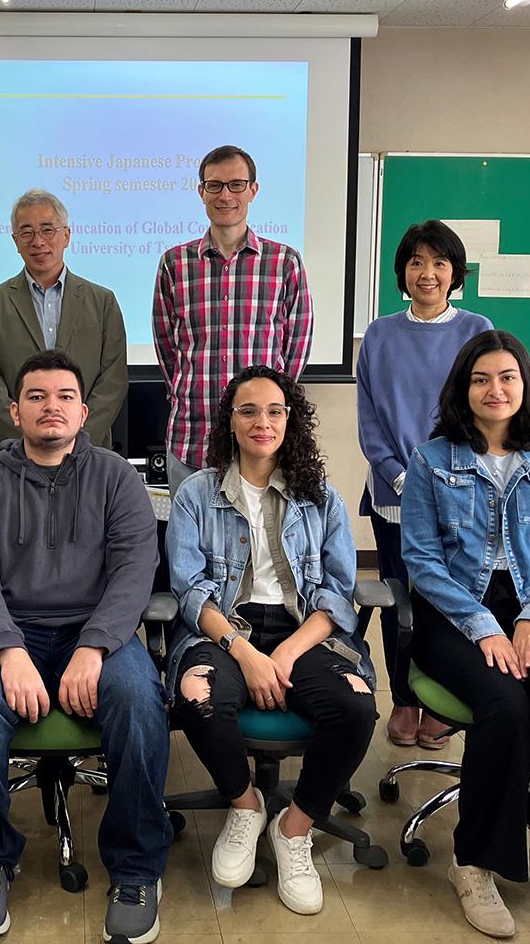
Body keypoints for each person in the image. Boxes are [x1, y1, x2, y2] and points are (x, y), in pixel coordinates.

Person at [0, 350, 170, 943]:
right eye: (37, 396)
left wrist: (94, 647)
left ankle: (136, 866)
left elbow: (135, 570)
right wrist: (8, 650)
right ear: (14, 412)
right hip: (11, 633)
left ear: (84, 411)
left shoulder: (117, 477)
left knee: (141, 702)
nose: (51, 407)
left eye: (64, 396)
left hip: (98, 633)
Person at [400, 330, 530, 940]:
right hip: (453, 610)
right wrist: (485, 626)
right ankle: (475, 862)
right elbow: (422, 563)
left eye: (507, 377)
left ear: (525, 386)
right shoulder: (431, 459)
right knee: (504, 703)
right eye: (481, 378)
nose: (495, 389)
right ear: (463, 389)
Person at [167, 366, 377, 916]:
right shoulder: (195, 493)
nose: (263, 422)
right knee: (198, 697)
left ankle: (295, 826)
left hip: (304, 629)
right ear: (229, 422)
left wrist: (283, 653)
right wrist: (246, 652)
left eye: (275, 411)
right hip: (223, 628)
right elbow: (189, 591)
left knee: (354, 707)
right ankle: (244, 805)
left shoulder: (321, 496)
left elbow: (337, 593)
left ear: (291, 420)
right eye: (248, 411)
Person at [356, 220, 493, 749]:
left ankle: (441, 696)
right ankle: (405, 699)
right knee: (399, 601)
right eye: (416, 262)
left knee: (450, 599)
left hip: (462, 493)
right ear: (402, 272)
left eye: (439, 263)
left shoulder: (476, 330)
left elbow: (487, 411)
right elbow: (370, 421)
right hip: (394, 495)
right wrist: (403, 475)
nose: (427, 273)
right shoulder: (381, 335)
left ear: (455, 272)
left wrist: (444, 475)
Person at [152, 145, 313, 494]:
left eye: (236, 185)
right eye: (215, 185)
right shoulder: (174, 264)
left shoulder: (284, 262)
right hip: (192, 437)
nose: (226, 195)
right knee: (190, 545)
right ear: (201, 191)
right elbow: (167, 348)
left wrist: (270, 407)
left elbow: (296, 347)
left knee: (262, 545)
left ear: (253, 190)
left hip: (262, 441)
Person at [0, 189, 128, 449]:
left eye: (47, 230)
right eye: (27, 232)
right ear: (15, 241)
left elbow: (113, 379)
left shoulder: (102, 301)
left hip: (88, 451)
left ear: (66, 236)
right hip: (17, 452)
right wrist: (26, 437)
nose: (38, 241)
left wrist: (77, 437)